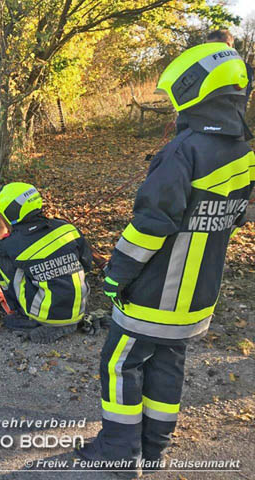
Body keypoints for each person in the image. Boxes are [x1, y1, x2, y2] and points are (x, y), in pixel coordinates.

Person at [75, 43, 254, 477]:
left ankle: (119, 453)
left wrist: (116, 274)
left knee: (119, 364)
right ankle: (154, 449)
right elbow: (237, 216)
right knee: (167, 366)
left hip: (154, 295)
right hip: (197, 298)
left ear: (193, 90)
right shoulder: (243, 152)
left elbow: (149, 226)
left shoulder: (182, 152)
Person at [0, 182, 92, 344]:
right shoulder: (67, 228)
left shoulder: (13, 244)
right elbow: (87, 264)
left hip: (45, 315)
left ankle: (24, 315)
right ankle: (68, 317)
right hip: (78, 310)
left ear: (10, 211)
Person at [207, 29, 254, 103]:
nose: (211, 51)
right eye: (208, 47)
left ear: (228, 45)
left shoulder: (244, 69)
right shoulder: (206, 65)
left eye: (215, 46)